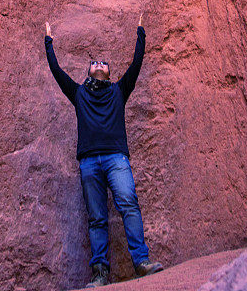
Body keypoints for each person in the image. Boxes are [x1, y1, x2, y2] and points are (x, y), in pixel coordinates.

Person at [44, 15, 164, 287]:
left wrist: (141, 33)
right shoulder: (78, 94)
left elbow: (136, 64)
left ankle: (141, 262)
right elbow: (57, 71)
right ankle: (100, 274)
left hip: (116, 158)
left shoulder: (120, 90)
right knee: (97, 218)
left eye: (104, 63)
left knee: (129, 205)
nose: (99, 64)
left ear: (110, 73)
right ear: (88, 72)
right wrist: (49, 42)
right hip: (89, 163)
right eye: (94, 63)